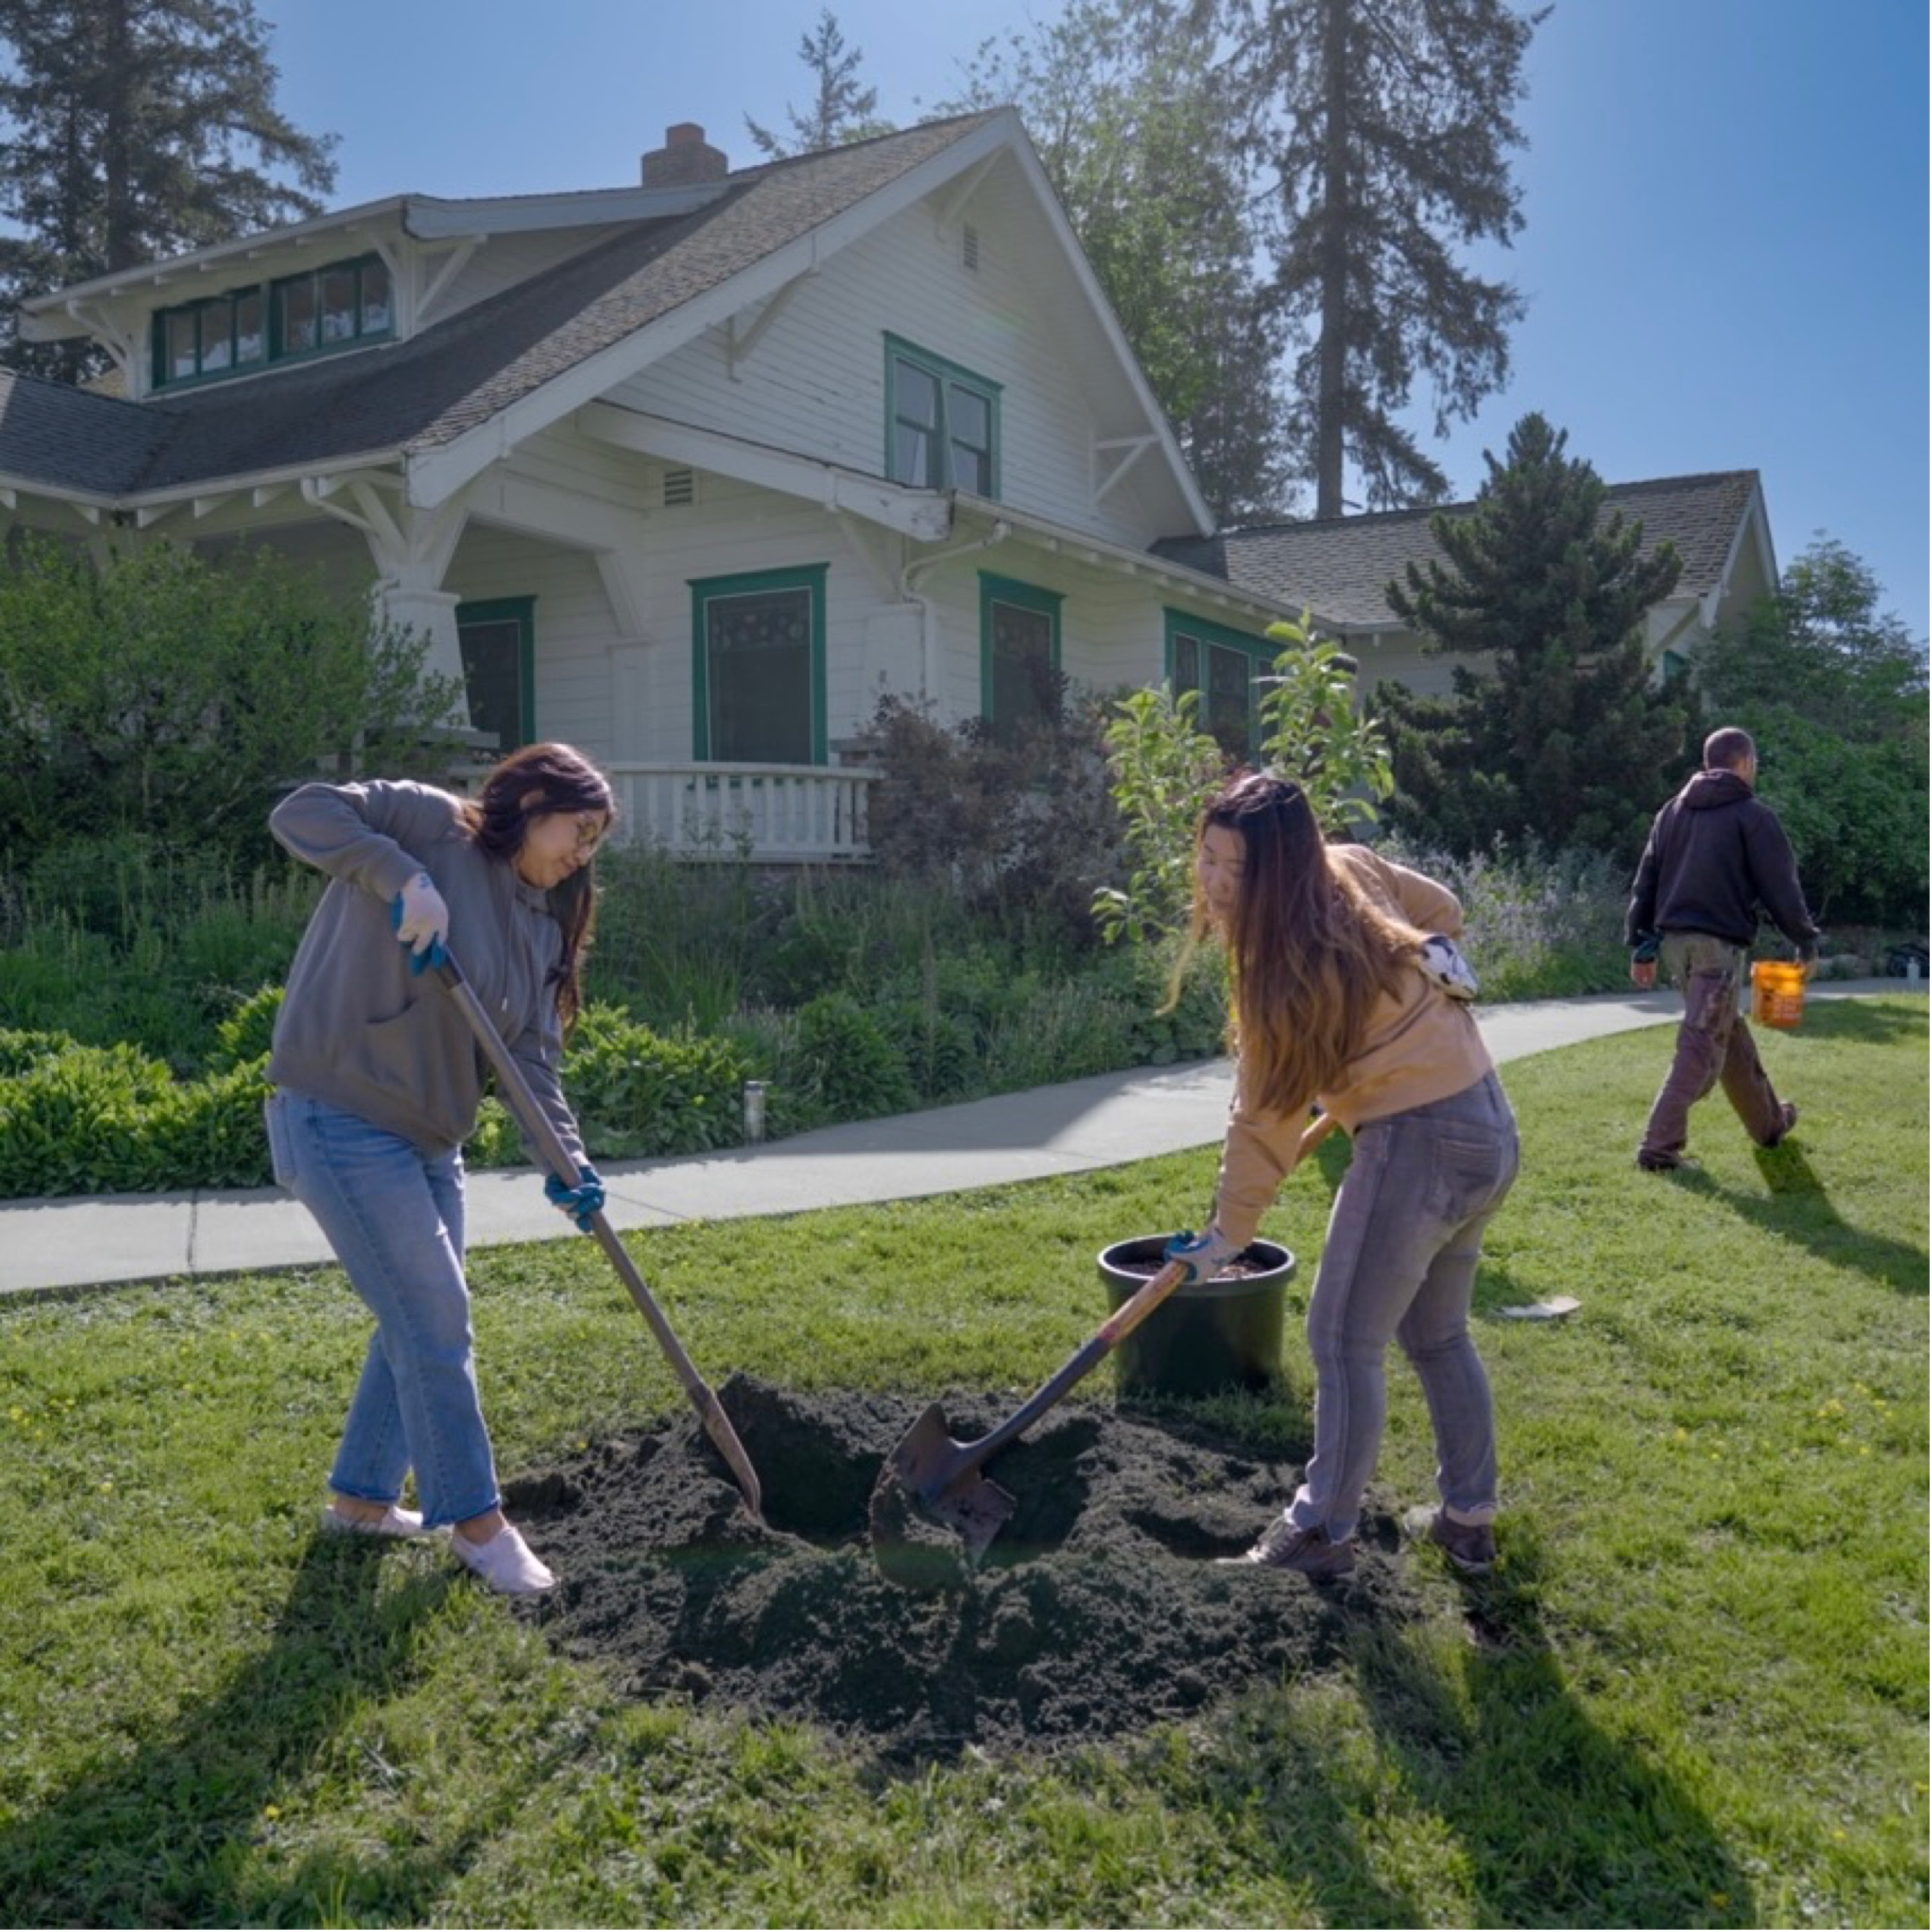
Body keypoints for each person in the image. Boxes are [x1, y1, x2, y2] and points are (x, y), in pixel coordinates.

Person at [264, 742, 616, 1595]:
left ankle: (360, 1507)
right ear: (533, 801)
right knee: (434, 1318)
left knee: (415, 1320)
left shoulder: (538, 922)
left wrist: (566, 1162)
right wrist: (400, 878)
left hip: (430, 1141)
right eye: (579, 829)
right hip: (339, 1113)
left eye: (598, 842)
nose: (583, 854)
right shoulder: (430, 824)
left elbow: (530, 1062)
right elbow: (300, 812)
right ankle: (478, 1524)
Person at [1162, 771, 1520, 1581]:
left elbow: (1263, 1118)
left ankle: (1323, 1528)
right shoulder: (1352, 868)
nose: (1216, 884)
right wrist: (1431, 950)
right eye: (1209, 859)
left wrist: (1229, 1236)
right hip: (1486, 1125)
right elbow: (1441, 909)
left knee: (1340, 1338)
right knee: (1435, 1333)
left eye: (1238, 869)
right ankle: (1469, 1521)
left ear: (1283, 869)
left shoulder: (1278, 970)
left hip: (1419, 1142)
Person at [1625, 726, 1818, 1172]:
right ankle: (1659, 1149)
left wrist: (1641, 948)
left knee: (1727, 1035)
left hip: (1676, 948)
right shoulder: (1753, 815)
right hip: (1716, 951)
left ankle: (1770, 1125)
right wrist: (1805, 940)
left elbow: (1646, 884)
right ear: (1746, 763)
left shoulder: (1671, 812)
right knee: (1700, 1048)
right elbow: (1781, 888)